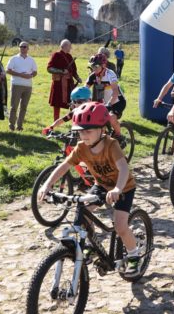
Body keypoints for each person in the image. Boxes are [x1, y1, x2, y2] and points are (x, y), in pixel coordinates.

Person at [37, 103, 142, 277]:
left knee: (120, 226)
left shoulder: (111, 145)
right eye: (80, 131)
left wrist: (118, 188)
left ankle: (133, 256)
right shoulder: (81, 148)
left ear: (102, 129)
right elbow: (64, 166)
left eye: (88, 131)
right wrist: (47, 184)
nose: (84, 135)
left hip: (124, 187)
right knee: (83, 213)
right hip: (101, 185)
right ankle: (91, 247)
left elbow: (124, 168)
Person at [86, 53, 126, 139]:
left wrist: (109, 104)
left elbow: (115, 92)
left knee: (111, 118)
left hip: (117, 101)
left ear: (103, 66)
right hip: (104, 102)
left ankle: (119, 135)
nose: (94, 69)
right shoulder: (93, 76)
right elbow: (85, 90)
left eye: (96, 66)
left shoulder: (110, 74)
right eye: (92, 66)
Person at [6, 41, 38, 131]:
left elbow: (35, 72)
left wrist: (30, 75)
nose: (22, 48)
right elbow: (8, 70)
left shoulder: (31, 60)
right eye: (21, 47)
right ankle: (11, 125)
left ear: (28, 48)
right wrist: (21, 75)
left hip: (28, 86)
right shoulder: (14, 58)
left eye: (24, 47)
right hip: (16, 84)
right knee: (14, 106)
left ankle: (19, 126)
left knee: (24, 107)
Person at [47, 40, 82, 121]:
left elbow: (74, 71)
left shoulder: (69, 56)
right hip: (58, 83)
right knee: (57, 103)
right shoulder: (56, 55)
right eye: (70, 46)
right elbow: (49, 68)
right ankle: (56, 121)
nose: (71, 48)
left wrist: (77, 78)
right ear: (65, 46)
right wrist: (62, 71)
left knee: (73, 102)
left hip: (69, 83)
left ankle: (74, 120)